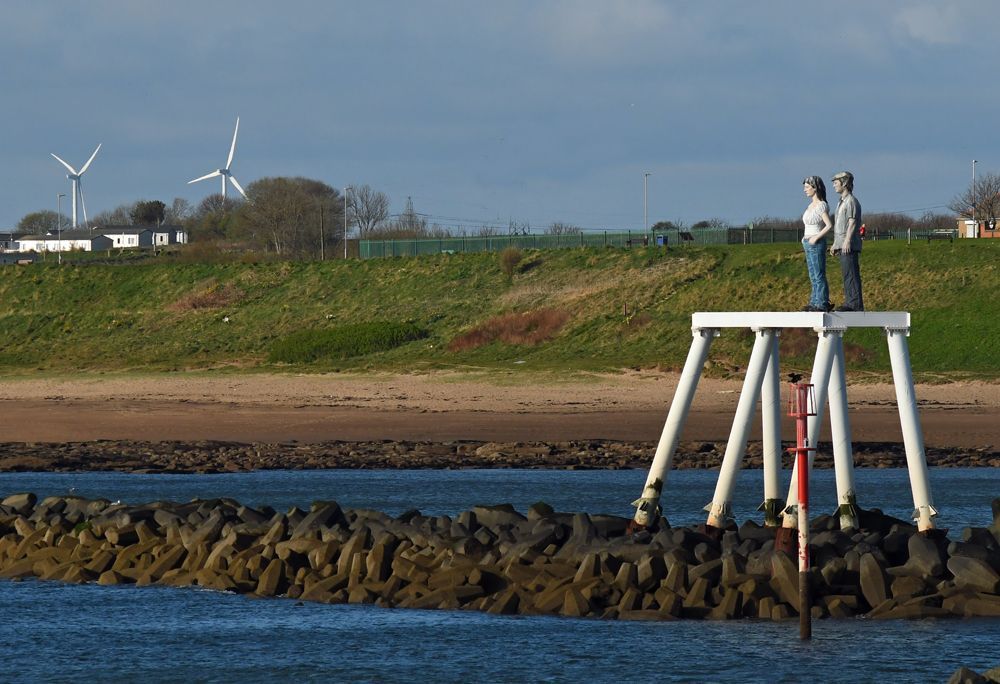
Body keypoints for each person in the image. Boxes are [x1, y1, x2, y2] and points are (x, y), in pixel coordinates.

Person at [830, 171, 863, 311]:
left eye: (836, 183)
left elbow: (852, 222)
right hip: (841, 244)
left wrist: (847, 240)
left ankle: (854, 304)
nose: (834, 186)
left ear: (844, 183)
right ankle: (850, 301)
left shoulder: (851, 201)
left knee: (851, 274)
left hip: (848, 245)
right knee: (846, 274)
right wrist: (835, 244)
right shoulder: (841, 203)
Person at [800, 176, 833, 312]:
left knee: (819, 274)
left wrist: (815, 237)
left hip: (816, 243)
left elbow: (829, 225)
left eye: (807, 187)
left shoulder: (821, 206)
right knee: (812, 274)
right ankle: (814, 301)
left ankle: (822, 302)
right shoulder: (810, 206)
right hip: (807, 242)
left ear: (815, 188)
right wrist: (805, 238)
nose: (805, 190)